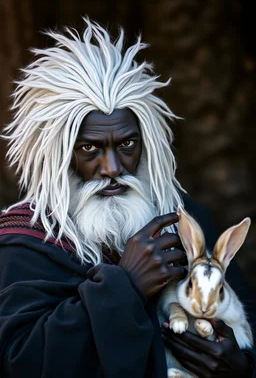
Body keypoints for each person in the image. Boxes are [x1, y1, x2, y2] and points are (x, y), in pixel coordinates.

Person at [0, 19, 255, 378]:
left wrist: (241, 365)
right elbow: (21, 362)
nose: (112, 167)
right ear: (61, 155)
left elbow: (246, 321)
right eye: (90, 148)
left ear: (145, 143)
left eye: (127, 145)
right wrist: (126, 284)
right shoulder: (27, 243)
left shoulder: (185, 221)